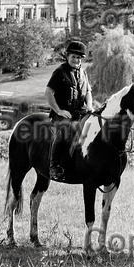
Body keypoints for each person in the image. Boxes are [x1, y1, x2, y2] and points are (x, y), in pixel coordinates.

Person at [45, 40, 94, 181]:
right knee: (65, 131)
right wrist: (59, 110)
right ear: (67, 56)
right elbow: (48, 92)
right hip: (63, 114)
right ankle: (54, 166)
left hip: (81, 112)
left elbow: (88, 92)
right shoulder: (60, 72)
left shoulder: (83, 73)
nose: (76, 60)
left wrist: (89, 106)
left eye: (79, 58)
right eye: (73, 57)